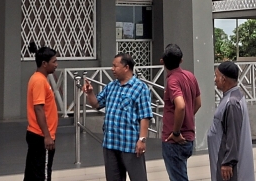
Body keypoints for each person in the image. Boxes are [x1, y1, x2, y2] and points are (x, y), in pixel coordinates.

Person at [82, 53, 152, 181]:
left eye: (115, 66)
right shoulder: (111, 86)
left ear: (126, 67)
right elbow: (96, 104)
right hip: (111, 143)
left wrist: (142, 139)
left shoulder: (140, 88)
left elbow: (145, 116)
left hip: (130, 144)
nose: (112, 69)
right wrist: (90, 93)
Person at [159, 44, 202, 181]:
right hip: (188, 137)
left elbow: (181, 106)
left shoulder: (172, 81)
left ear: (163, 61)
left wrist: (176, 132)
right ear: (181, 60)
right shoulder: (190, 76)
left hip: (175, 140)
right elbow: (198, 103)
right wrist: (187, 117)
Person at [207, 61, 253, 181]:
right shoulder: (232, 97)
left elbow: (233, 134)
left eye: (216, 76)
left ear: (223, 79)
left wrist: (228, 162)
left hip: (226, 165)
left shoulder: (232, 102)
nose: (215, 79)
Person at [25, 46, 59, 181]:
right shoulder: (39, 81)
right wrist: (47, 136)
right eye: (54, 61)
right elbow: (38, 108)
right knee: (42, 175)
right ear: (44, 64)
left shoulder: (40, 78)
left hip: (38, 135)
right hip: (41, 137)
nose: (56, 65)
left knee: (32, 174)